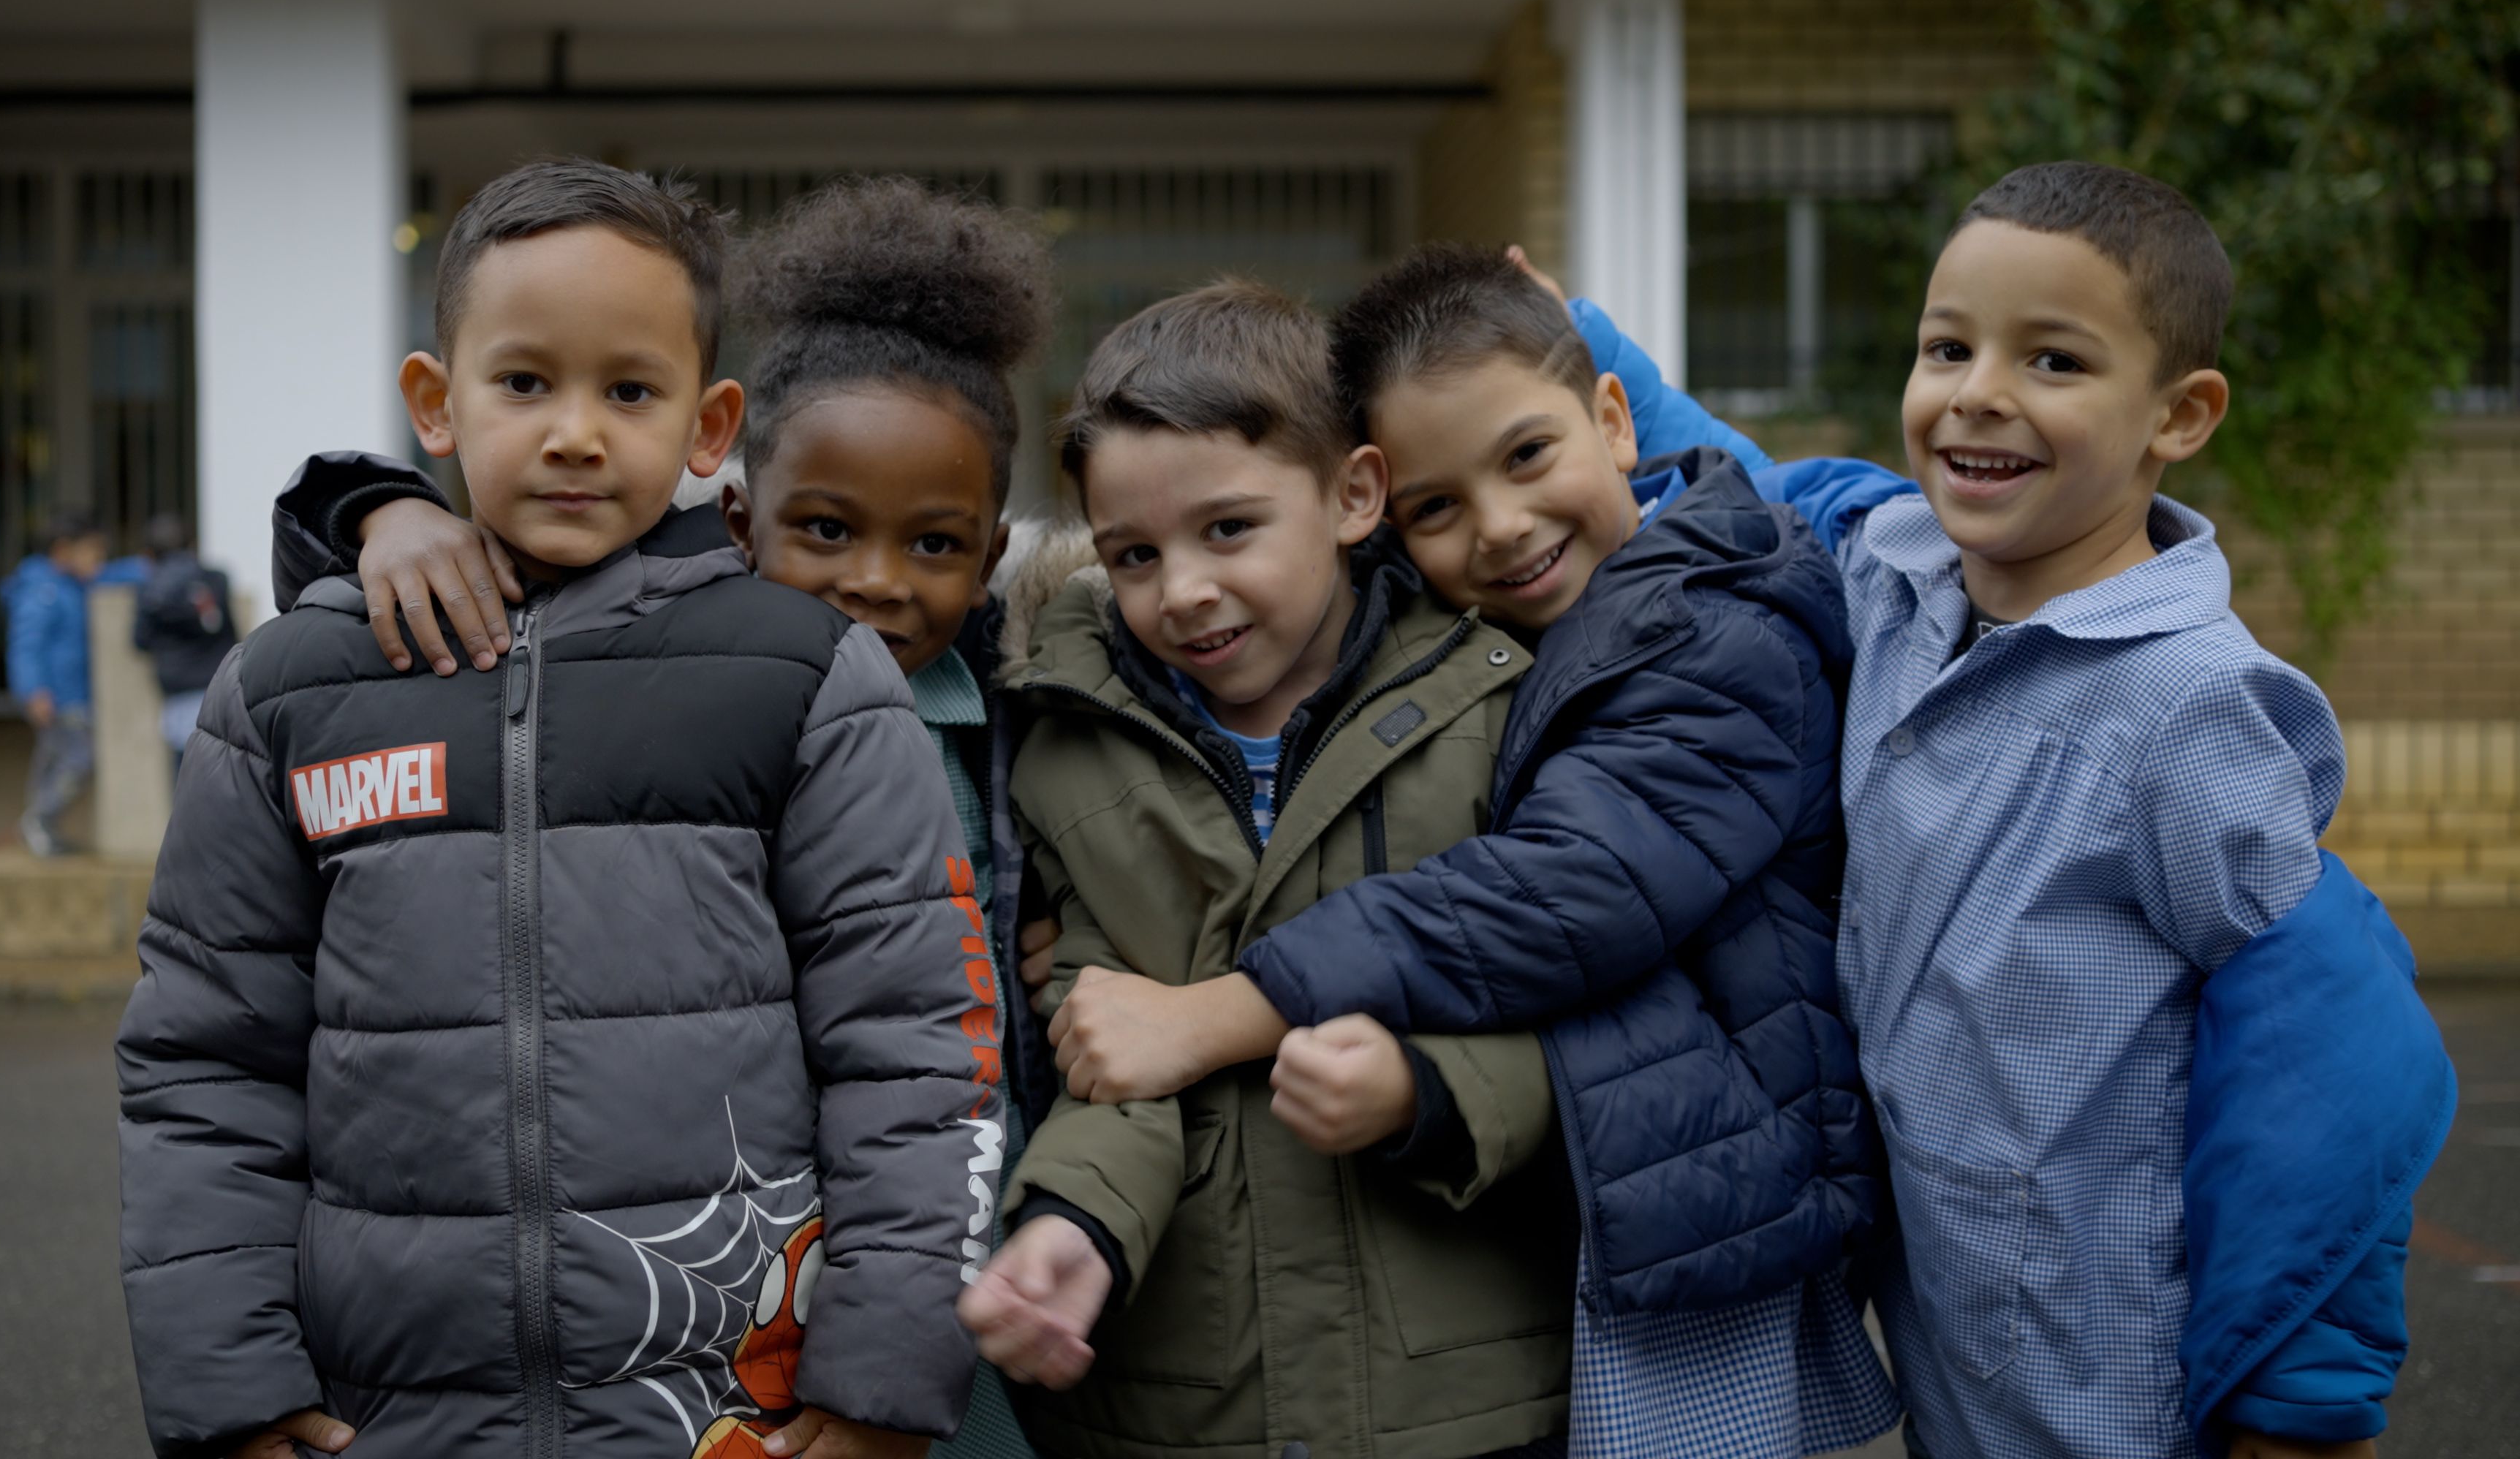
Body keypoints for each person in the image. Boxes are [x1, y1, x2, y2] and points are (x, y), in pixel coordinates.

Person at [114, 159, 994, 1459]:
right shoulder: (292, 687)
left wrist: (885, 1376)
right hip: (384, 1414)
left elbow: (917, 1055)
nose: (575, 431)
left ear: (708, 427)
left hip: (724, 1417)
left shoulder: (810, 678)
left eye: (629, 389)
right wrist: (226, 1382)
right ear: (437, 400)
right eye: (525, 383)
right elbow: (205, 1062)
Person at [1625, 162, 2455, 1459]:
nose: (1977, 393)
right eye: (1947, 346)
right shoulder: (1896, 569)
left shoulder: (2190, 707)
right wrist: (1585, 346)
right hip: (1962, 1354)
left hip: (2126, 1383)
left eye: (2054, 361)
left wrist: (2302, 1402)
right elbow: (1748, 479)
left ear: (2179, 414)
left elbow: (2340, 1061)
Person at [1015, 249, 1899, 1459]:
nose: (1500, 526)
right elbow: (1104, 1017)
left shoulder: (1695, 634)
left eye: (1529, 457)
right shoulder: (1502, 637)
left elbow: (1557, 904)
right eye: (1440, 506)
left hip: (1700, 1211)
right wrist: (1074, 1204)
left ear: (1610, 417)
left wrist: (1239, 1013)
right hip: (1586, 1227)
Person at [952, 279, 1583, 1459]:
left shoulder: (1497, 704)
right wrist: (1073, 1226)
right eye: (1133, 554)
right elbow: (1110, 1048)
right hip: (1186, 1406)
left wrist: (1427, 1090)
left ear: (1354, 495)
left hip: (1461, 1403)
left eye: (1228, 530)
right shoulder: (1071, 749)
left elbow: (1585, 1009)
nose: (1182, 591)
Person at [1, 511, 145, 856]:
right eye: (93, 551)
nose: (99, 561)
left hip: (73, 695)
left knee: (53, 759)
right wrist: (34, 692)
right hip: (61, 698)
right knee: (79, 759)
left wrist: (152, 566)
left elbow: (118, 574)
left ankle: (40, 826)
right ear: (64, 551)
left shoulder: (76, 582)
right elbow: (26, 645)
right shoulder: (42, 591)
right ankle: (39, 820)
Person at [131, 512, 238, 758]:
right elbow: (232, 633)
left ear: (148, 554)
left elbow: (139, 641)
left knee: (185, 772)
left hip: (178, 695)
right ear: (193, 545)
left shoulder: (150, 590)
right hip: (220, 690)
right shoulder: (216, 580)